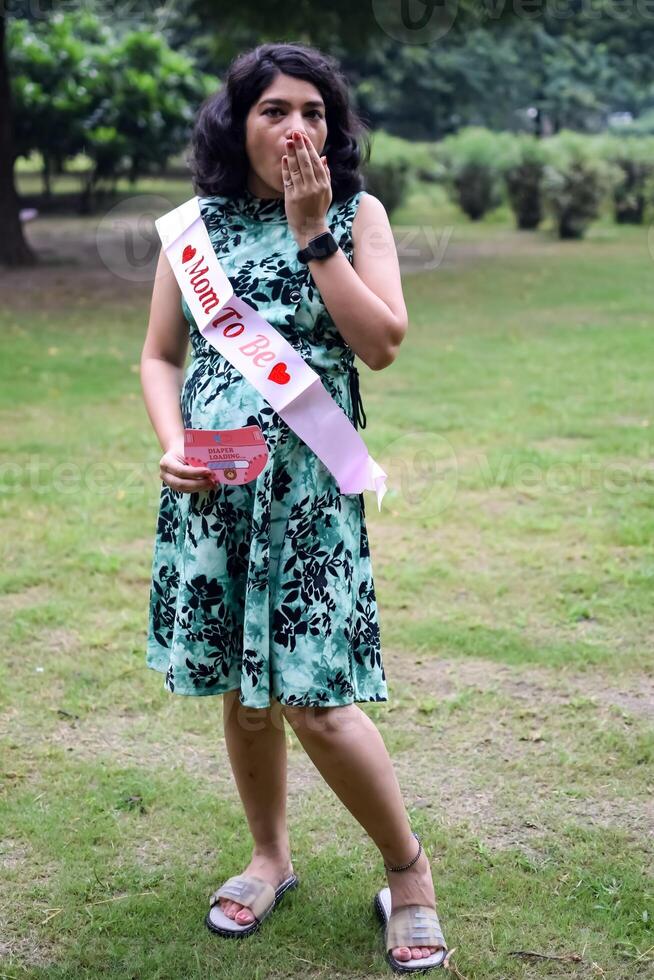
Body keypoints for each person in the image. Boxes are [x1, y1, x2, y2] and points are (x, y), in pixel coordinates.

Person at [140, 41, 448, 972]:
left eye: (314, 112)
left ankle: (410, 876)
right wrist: (170, 440)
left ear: (334, 130)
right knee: (244, 697)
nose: (298, 127)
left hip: (311, 494)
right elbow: (161, 355)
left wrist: (315, 235)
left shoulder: (359, 215)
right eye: (276, 109)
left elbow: (383, 343)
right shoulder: (191, 230)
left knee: (317, 704)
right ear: (239, 123)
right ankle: (269, 857)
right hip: (216, 493)